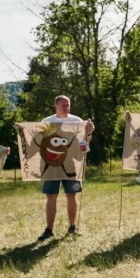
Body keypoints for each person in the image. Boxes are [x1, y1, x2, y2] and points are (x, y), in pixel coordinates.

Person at [37, 96, 94, 241]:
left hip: (71, 166)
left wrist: (89, 133)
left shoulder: (77, 121)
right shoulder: (46, 122)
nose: (65, 107)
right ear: (55, 105)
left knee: (71, 195)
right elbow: (39, 143)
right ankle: (49, 229)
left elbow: (84, 145)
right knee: (51, 197)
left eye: (67, 105)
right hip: (51, 166)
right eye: (62, 105)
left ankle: (72, 226)